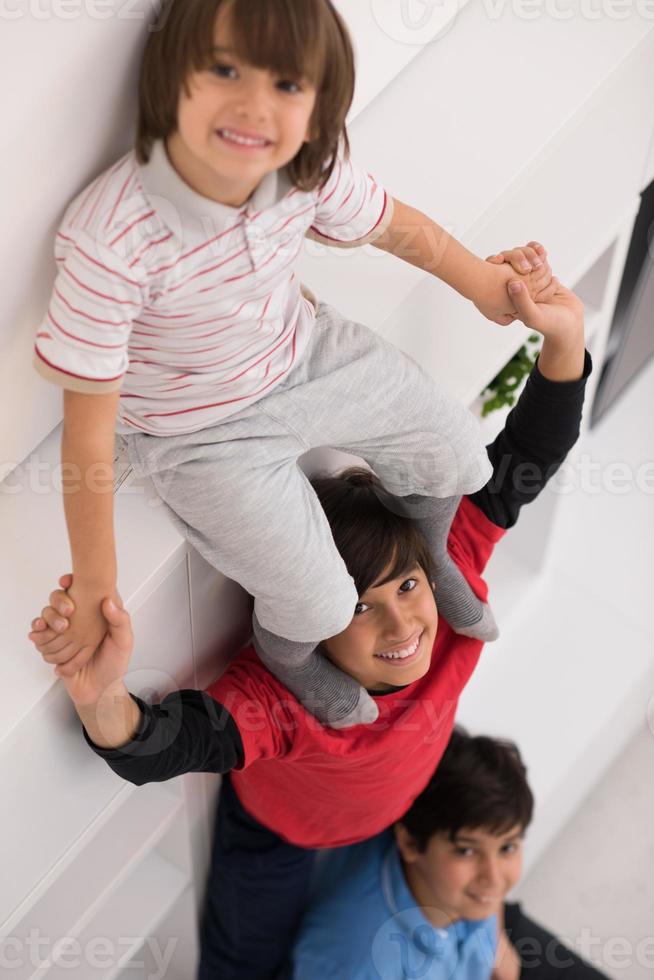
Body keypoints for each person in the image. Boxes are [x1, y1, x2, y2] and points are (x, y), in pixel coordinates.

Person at [29, 279, 589, 979]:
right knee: (243, 962)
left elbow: (523, 461)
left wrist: (564, 336)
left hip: (396, 800)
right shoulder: (281, 701)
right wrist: (98, 695)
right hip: (280, 833)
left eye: (408, 587)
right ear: (313, 622)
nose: (401, 623)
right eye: (359, 605)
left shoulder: (450, 584)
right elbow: (165, 747)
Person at [31, 0, 558, 728]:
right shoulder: (112, 239)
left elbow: (395, 227)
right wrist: (95, 585)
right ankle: (289, 655)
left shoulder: (305, 165)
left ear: (316, 110)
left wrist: (484, 285)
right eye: (224, 70)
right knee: (318, 599)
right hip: (200, 433)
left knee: (455, 450)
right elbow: (85, 434)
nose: (254, 104)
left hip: (307, 351)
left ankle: (432, 553)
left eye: (287, 86)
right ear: (168, 75)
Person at [288, 727, 609, 980]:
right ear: (411, 844)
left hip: (474, 932)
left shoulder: (472, 883)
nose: (494, 877)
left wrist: (497, 950)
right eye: (467, 851)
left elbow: (489, 880)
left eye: (507, 847)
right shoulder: (356, 962)